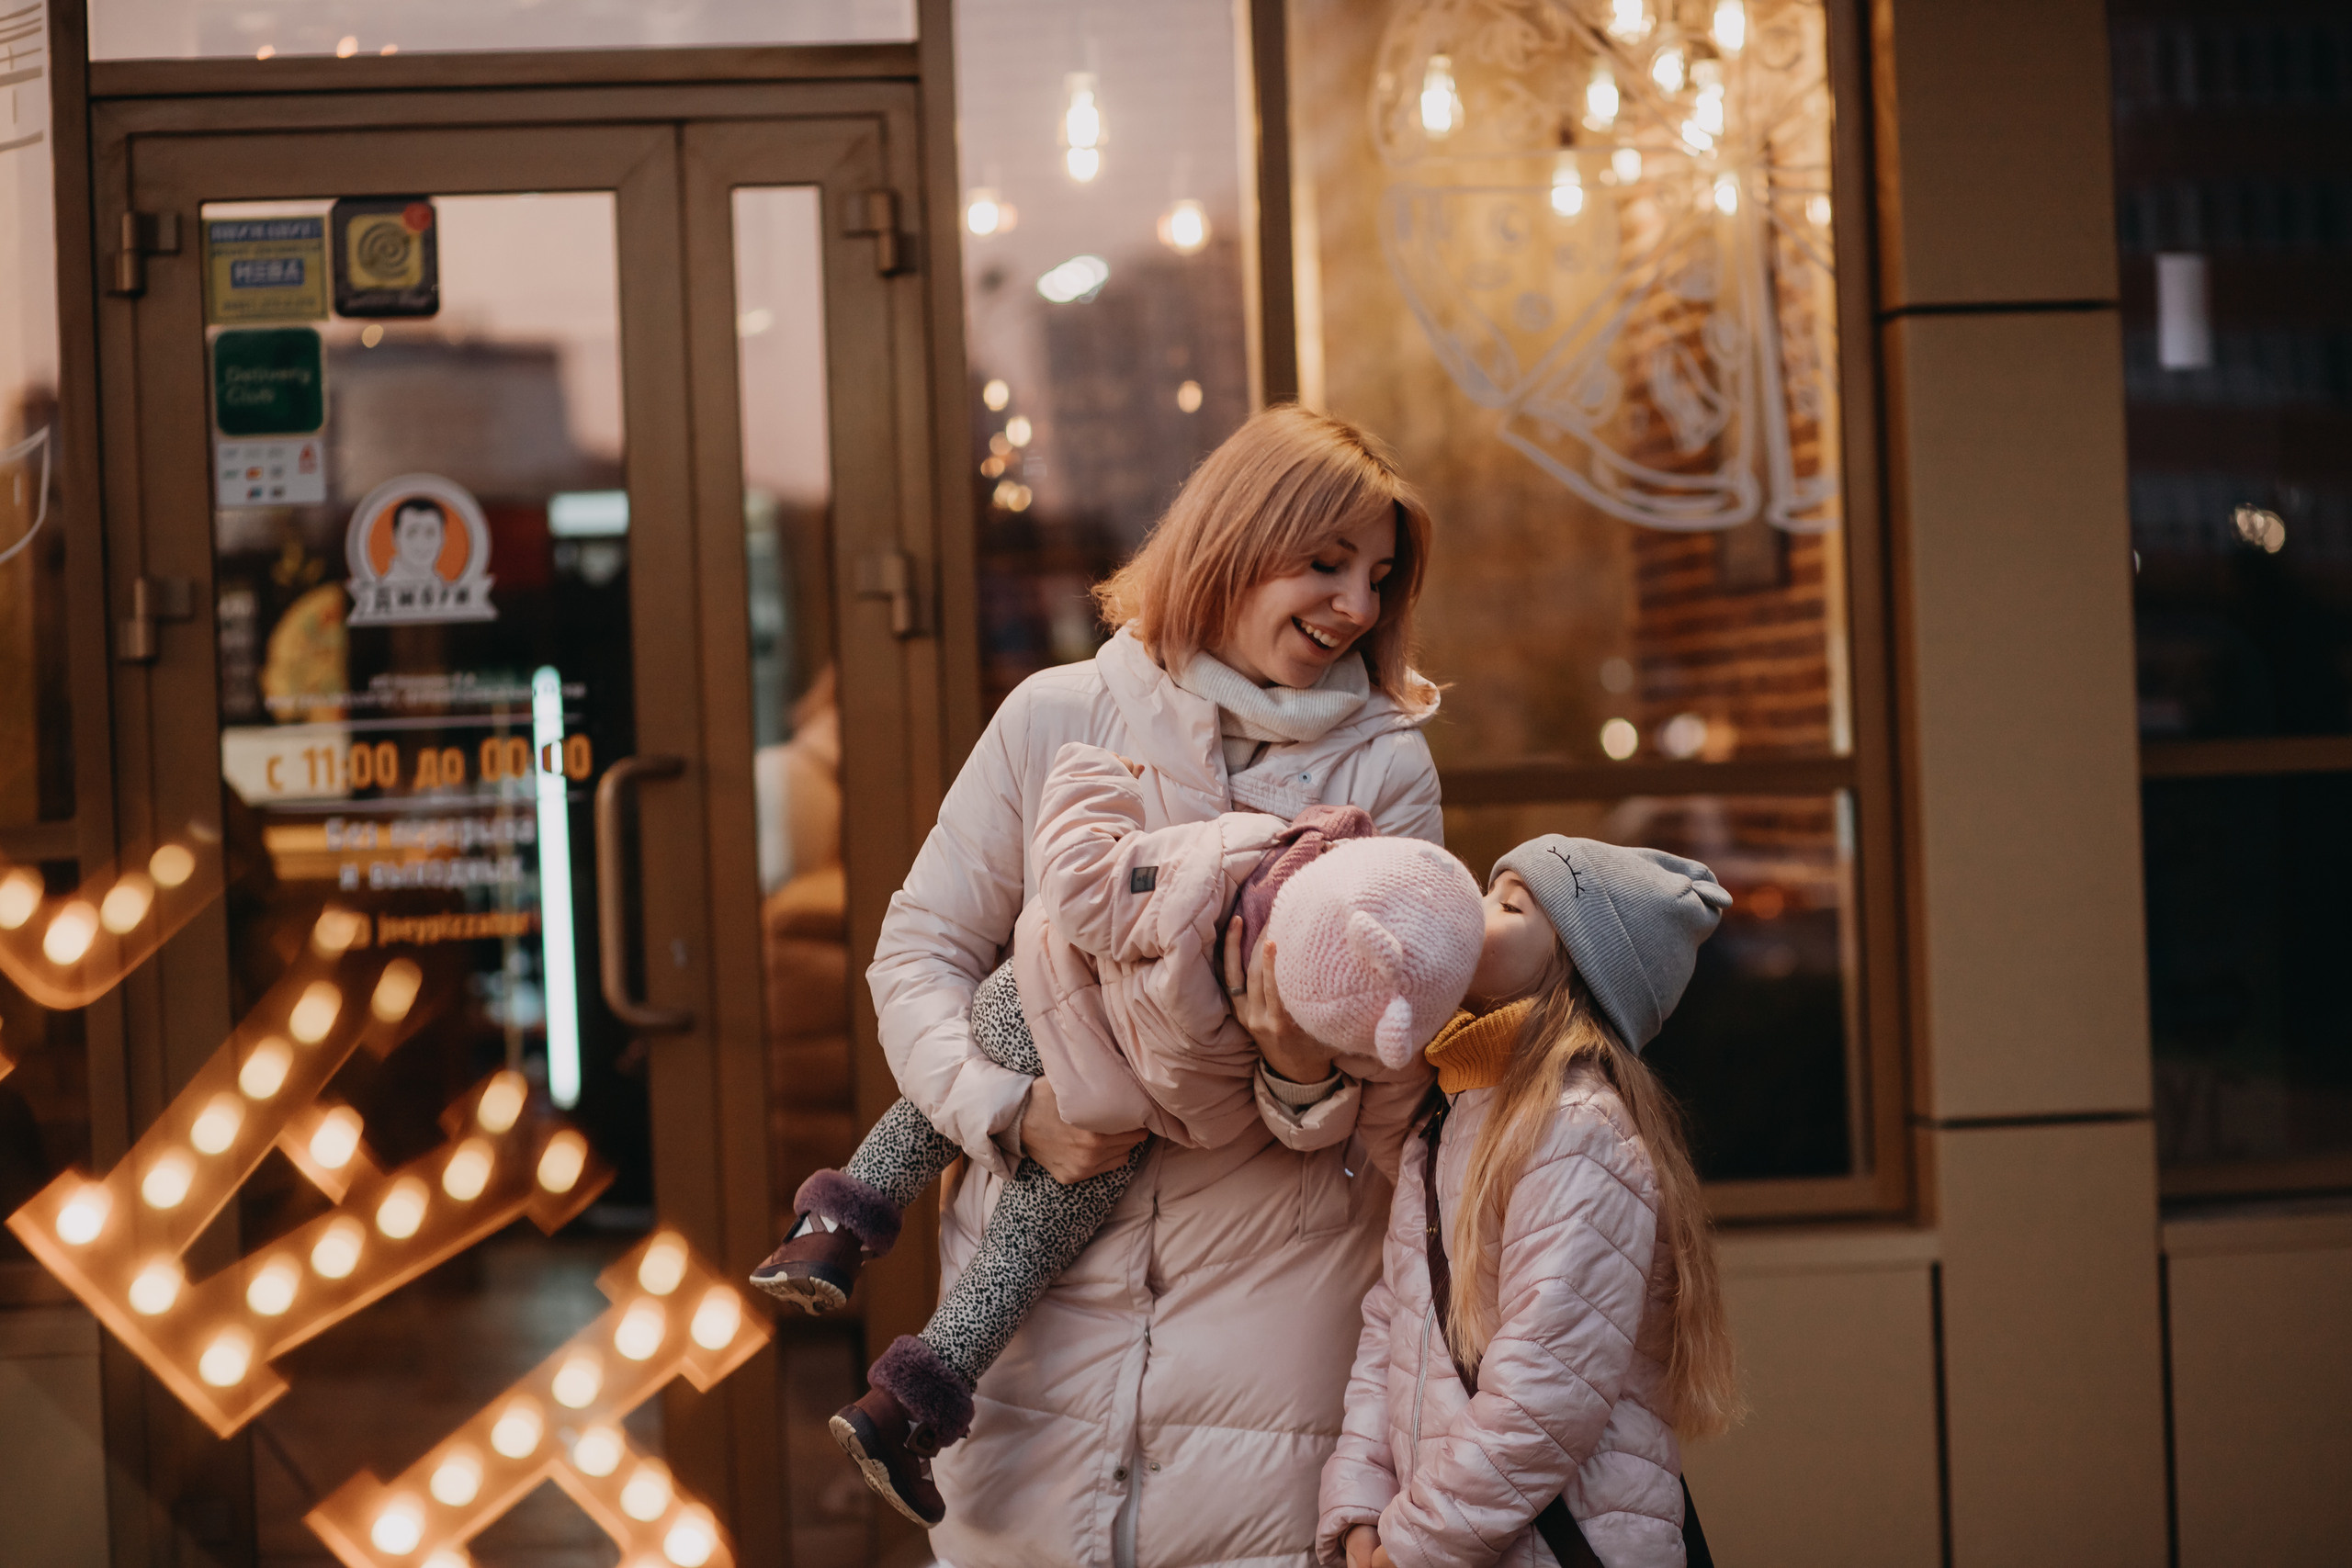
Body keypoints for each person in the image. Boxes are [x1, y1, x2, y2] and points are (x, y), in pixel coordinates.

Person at [863, 404, 1444, 1568]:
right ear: (1234, 542)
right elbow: (921, 951)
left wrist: (1299, 1074)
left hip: (1273, 1331)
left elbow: (1391, 1052)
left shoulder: (1386, 765)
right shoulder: (1055, 715)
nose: (1357, 606)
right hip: (1030, 1342)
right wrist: (1008, 1113)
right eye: (1325, 564)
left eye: (1378, 578)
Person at [751, 743, 1484, 1526]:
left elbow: (1078, 884)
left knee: (933, 1121)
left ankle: (830, 1237)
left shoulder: (1215, 869)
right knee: (1014, 1252)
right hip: (1097, 1097)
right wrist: (1291, 1069)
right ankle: (902, 1409)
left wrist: (1092, 782)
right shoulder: (1271, 1022)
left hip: (1051, 1014)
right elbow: (1229, 1119)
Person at [1319, 837, 1742, 1568]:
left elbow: (1545, 1396)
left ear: (1572, 969)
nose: (1475, 910)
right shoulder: (1446, 1117)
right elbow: (1390, 1327)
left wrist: (1407, 1545)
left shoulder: (1576, 1128)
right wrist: (1360, 1508)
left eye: (1509, 905)